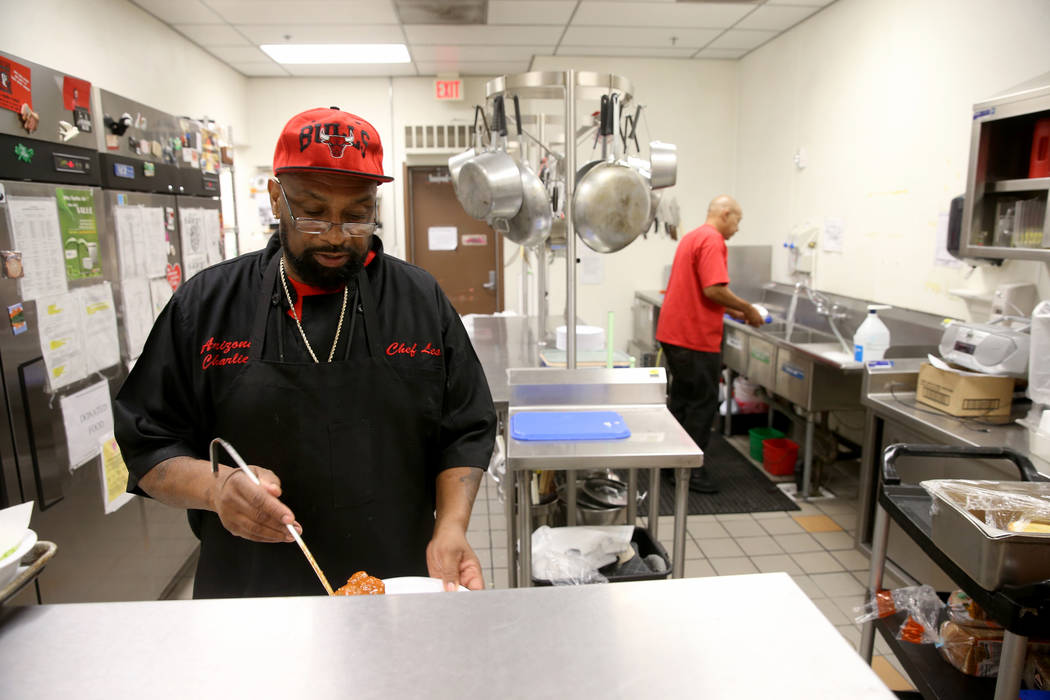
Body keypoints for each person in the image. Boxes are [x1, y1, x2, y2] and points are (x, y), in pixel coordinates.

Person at [115, 107, 497, 598]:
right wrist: (215, 488)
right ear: (277, 198)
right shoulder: (207, 306)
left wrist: (452, 528)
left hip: (397, 586)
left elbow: (466, 429)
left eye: (357, 215)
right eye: (313, 212)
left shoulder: (419, 300)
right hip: (251, 594)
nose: (336, 235)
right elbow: (148, 447)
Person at [655, 195, 764, 493]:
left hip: (675, 334)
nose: (737, 228)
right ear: (726, 214)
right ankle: (690, 472)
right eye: (738, 220)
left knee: (681, 401)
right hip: (694, 339)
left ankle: (670, 464)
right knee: (702, 405)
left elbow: (703, 292)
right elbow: (714, 289)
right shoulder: (713, 241)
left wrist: (735, 310)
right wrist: (748, 309)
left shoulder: (693, 237)